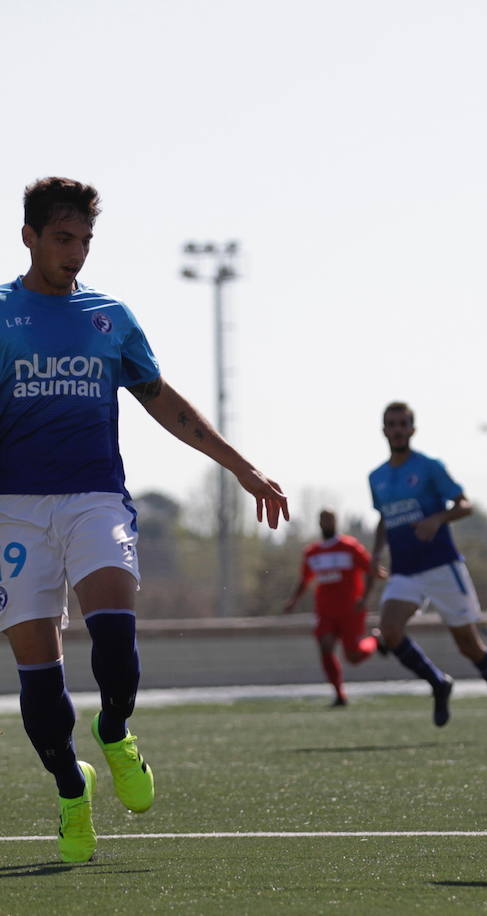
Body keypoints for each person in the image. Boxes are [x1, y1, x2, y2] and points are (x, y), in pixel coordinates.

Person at [0, 177, 289, 863]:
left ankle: (116, 730)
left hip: (95, 498)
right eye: (63, 239)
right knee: (39, 688)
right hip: (14, 513)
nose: (75, 253)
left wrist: (240, 465)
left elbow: (163, 400)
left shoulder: (110, 317)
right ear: (30, 237)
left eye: (85, 241)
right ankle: (73, 790)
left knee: (116, 643)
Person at [367, 401, 487, 740]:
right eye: (391, 424)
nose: (396, 429)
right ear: (383, 430)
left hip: (441, 566)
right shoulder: (376, 477)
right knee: (389, 631)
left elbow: (464, 504)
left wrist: (437, 518)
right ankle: (438, 683)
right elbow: (384, 517)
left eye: (402, 424)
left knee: (468, 646)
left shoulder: (429, 467)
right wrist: (375, 554)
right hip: (405, 570)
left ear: (412, 429)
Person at [282, 508, 380, 706]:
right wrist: (293, 600)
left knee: (352, 656)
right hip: (326, 611)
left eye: (329, 519)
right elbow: (305, 579)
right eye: (323, 520)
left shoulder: (350, 547)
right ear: (319, 523)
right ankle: (339, 694)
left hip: (351, 609)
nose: (326, 523)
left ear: (336, 522)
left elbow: (370, 569)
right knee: (325, 646)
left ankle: (377, 640)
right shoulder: (312, 552)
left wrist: (365, 596)